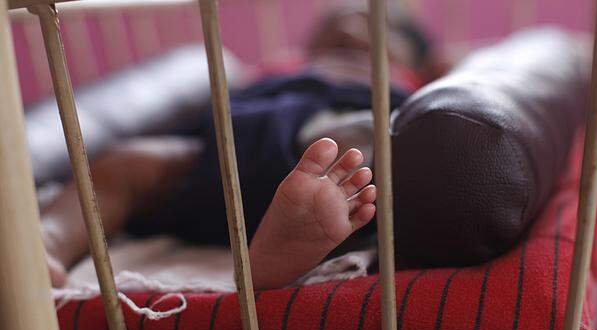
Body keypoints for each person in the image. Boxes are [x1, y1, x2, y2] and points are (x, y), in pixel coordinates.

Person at [42, 4, 437, 290]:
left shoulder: (409, 83)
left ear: (414, 63)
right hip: (226, 151)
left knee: (365, 150)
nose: (352, 25)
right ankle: (47, 246)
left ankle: (286, 248)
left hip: (328, 149)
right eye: (333, 26)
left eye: (377, 26)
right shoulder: (281, 68)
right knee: (132, 164)